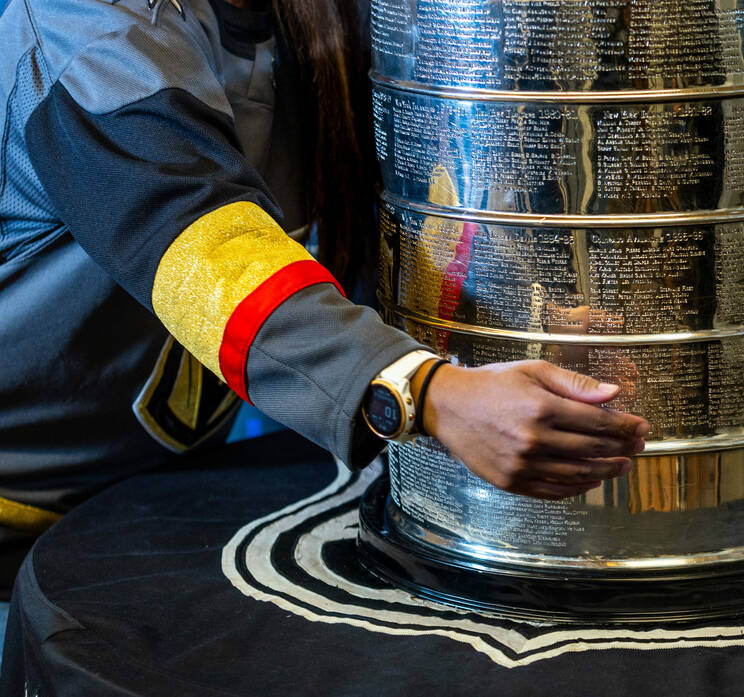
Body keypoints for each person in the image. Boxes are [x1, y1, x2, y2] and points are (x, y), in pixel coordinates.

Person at [0, 0, 648, 597]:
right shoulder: (83, 24)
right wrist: (424, 395)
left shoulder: (318, 17)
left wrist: (513, 333)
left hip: (149, 500)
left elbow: (385, 219)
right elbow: (202, 245)